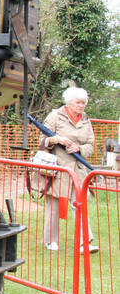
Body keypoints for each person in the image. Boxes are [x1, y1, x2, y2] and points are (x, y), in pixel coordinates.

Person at [40, 86, 98, 252]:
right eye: (78, 102)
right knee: (54, 205)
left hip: (78, 169)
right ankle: (50, 240)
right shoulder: (55, 116)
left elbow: (91, 145)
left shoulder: (86, 119)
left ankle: (84, 242)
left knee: (79, 204)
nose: (82, 106)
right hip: (58, 168)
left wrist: (79, 148)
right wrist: (56, 139)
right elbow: (42, 140)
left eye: (84, 103)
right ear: (69, 102)